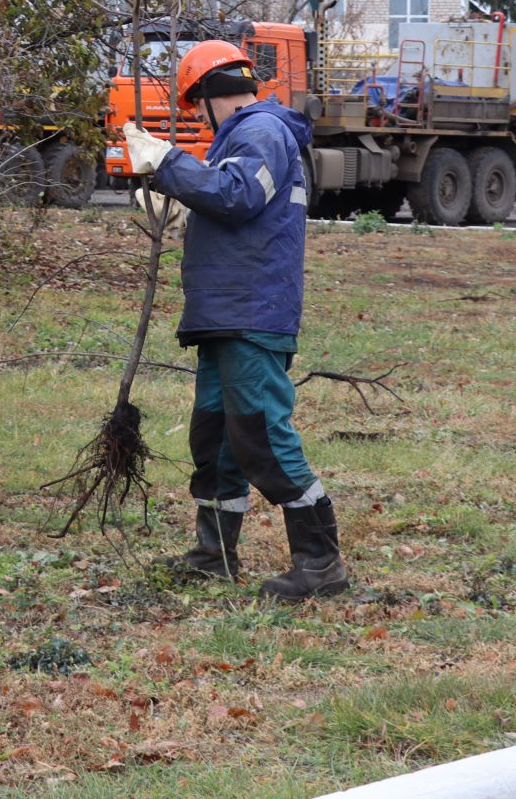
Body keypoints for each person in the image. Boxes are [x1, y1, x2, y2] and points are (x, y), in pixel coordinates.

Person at [121, 40, 347, 600]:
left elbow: (238, 195)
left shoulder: (260, 131)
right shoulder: (246, 138)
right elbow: (233, 206)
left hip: (250, 312)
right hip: (227, 310)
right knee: (217, 438)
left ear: (204, 97)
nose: (196, 116)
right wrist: (180, 208)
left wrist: (168, 162)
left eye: (194, 105)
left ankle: (321, 564)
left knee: (262, 436)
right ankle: (213, 554)